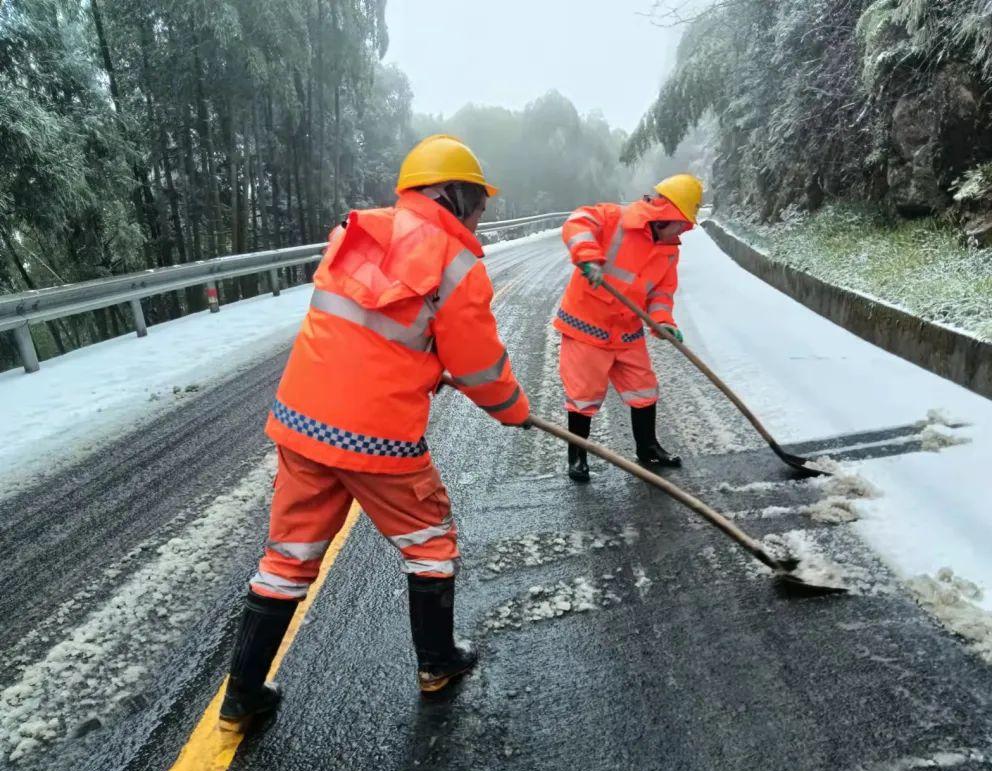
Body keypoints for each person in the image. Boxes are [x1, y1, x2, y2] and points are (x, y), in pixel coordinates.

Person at [220, 135, 530, 731]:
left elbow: (374, 331)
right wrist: (513, 410)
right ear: (456, 195)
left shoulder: (357, 233)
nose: (481, 215)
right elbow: (480, 367)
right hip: (375, 439)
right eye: (478, 202)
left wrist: (427, 362)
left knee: (288, 556)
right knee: (431, 541)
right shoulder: (455, 262)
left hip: (302, 423)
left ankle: (242, 695)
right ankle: (437, 664)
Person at [554, 174, 703, 482]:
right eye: (683, 222)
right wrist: (588, 258)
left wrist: (663, 322)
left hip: (627, 332)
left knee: (645, 389)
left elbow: (662, 293)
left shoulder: (669, 249)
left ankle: (647, 447)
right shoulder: (614, 218)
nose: (685, 230)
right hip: (587, 327)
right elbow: (576, 222)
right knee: (583, 396)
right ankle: (578, 457)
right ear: (667, 216)